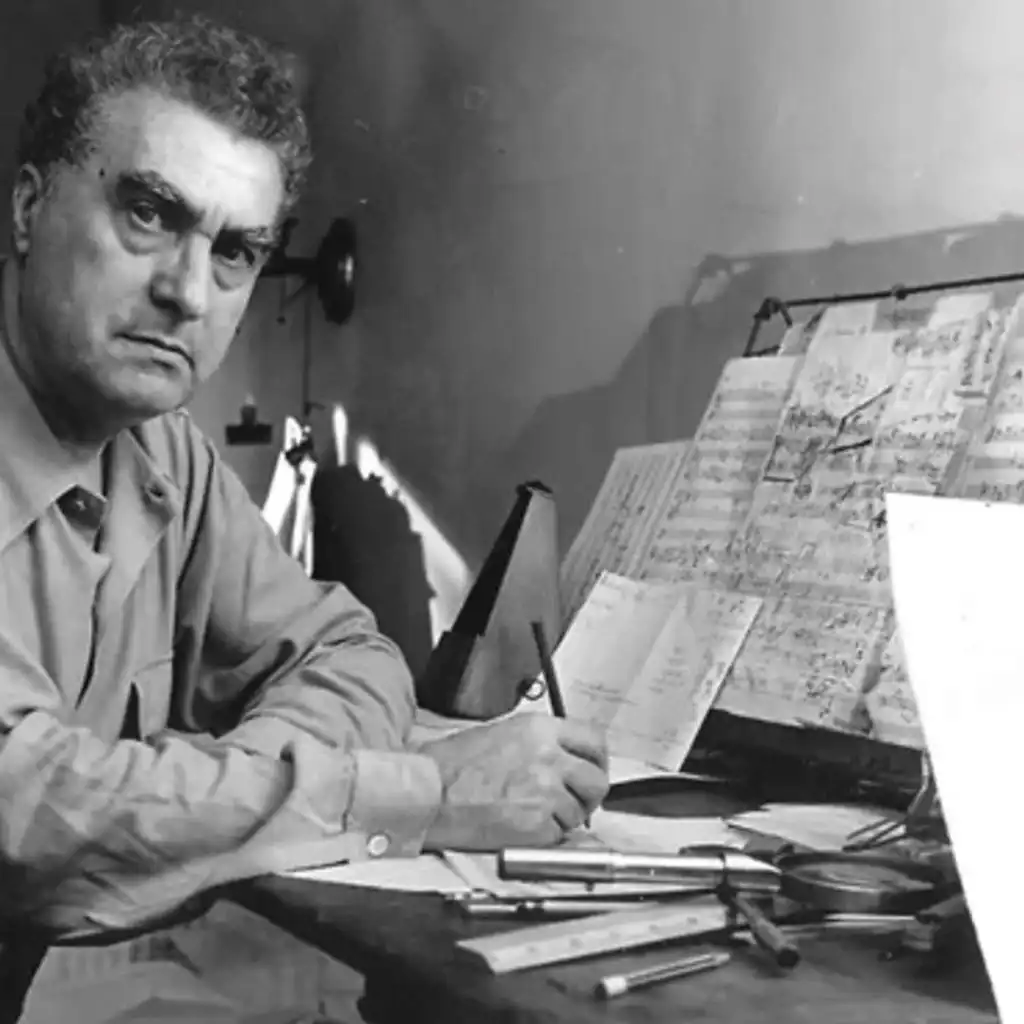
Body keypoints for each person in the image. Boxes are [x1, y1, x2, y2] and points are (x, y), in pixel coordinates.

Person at [0, 13, 609, 941]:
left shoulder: (165, 455)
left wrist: (242, 796)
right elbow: (27, 817)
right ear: (27, 207)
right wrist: (422, 794)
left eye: (234, 252)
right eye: (149, 214)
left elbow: (349, 653)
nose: (188, 292)